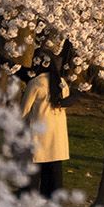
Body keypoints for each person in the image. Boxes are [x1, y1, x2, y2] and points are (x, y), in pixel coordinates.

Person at [17, 67, 71, 197]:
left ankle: (29, 194)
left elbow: (24, 109)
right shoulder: (62, 82)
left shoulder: (36, 82)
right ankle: (52, 197)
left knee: (34, 164)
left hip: (39, 129)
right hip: (57, 131)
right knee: (54, 166)